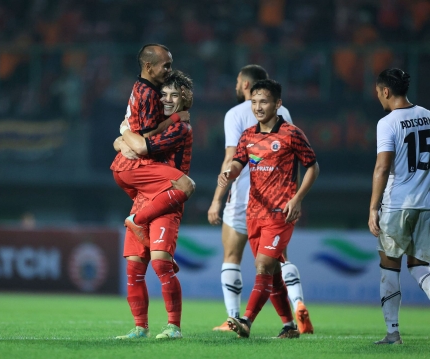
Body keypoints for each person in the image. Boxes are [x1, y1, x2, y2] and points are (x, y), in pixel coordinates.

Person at [208, 65, 314, 334]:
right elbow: (237, 161)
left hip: (281, 212)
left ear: (278, 104)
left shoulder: (291, 133)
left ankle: (244, 320)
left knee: (263, 265)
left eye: (264, 102)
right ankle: (289, 325)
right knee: (273, 271)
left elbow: (312, 166)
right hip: (253, 212)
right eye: (254, 102)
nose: (257, 107)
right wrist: (228, 173)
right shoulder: (248, 135)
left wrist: (298, 198)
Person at [113, 70, 194, 340]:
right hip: (143, 197)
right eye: (164, 94)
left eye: (174, 95)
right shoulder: (156, 119)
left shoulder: (181, 127)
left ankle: (174, 326)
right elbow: (122, 143)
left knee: (160, 264)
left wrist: (125, 136)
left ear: (185, 99)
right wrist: (124, 137)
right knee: (134, 268)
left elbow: (143, 147)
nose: (167, 99)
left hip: (167, 200)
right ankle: (140, 327)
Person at [369, 68, 430, 345]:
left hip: (398, 204)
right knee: (420, 266)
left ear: (385, 91)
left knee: (389, 265)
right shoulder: (428, 115)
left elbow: (383, 167)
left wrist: (373, 208)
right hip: (426, 204)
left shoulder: (388, 122)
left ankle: (392, 332)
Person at [110, 43, 194, 246]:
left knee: (141, 249)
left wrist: (121, 138)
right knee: (185, 185)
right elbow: (144, 141)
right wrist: (175, 118)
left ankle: (147, 242)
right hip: (138, 164)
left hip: (124, 165)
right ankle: (139, 224)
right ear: (148, 67)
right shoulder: (149, 94)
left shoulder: (141, 87)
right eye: (166, 66)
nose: (169, 70)